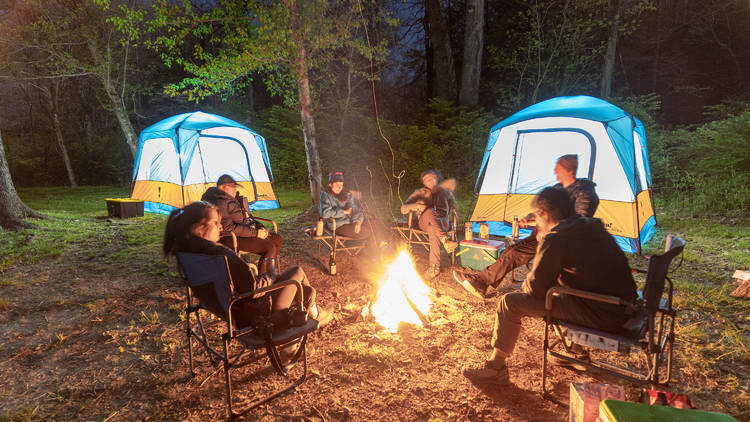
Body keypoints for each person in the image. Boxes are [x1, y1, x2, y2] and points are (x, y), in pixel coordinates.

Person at [462, 186, 636, 383]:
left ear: (543, 213)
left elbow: (536, 290)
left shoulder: (557, 238)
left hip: (601, 313)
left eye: (536, 216)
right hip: (624, 307)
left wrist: (530, 280)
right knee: (555, 295)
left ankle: (496, 368)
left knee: (509, 302)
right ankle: (575, 352)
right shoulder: (591, 226)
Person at [163, 201, 330, 330]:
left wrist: (248, 270)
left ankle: (313, 312)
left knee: (308, 292)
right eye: (215, 222)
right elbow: (252, 288)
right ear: (198, 228)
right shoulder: (221, 254)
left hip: (228, 311)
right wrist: (271, 276)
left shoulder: (188, 254)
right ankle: (299, 329)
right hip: (254, 313)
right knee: (298, 272)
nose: (221, 226)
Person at [454, 154, 599, 298]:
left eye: (558, 169)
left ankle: (483, 282)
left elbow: (579, 221)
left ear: (570, 171)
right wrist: (529, 218)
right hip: (546, 235)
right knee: (511, 250)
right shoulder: (558, 189)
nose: (555, 172)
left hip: (565, 240)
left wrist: (553, 230)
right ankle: (481, 282)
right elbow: (543, 208)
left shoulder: (585, 193)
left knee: (517, 253)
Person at [201, 174, 283, 276]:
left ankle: (268, 270)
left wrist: (260, 226)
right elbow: (227, 227)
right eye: (233, 187)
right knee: (269, 248)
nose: (235, 189)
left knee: (277, 239)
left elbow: (248, 217)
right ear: (222, 187)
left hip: (244, 232)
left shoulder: (233, 199)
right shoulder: (218, 201)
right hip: (229, 237)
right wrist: (256, 233)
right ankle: (263, 283)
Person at [401, 169, 458, 279]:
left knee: (433, 228)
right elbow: (403, 208)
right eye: (426, 180)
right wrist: (416, 206)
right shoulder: (419, 193)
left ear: (436, 178)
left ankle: (434, 267)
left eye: (431, 178)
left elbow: (454, 208)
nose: (429, 181)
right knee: (430, 212)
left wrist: (454, 220)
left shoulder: (446, 192)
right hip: (424, 221)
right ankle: (445, 240)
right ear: (423, 182)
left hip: (442, 223)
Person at [318, 171, 387, 255]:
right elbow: (325, 213)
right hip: (338, 225)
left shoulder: (347, 195)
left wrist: (357, 222)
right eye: (337, 185)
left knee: (374, 223)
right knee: (368, 231)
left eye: (341, 185)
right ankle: (375, 253)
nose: (340, 187)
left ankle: (381, 247)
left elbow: (356, 211)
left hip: (351, 222)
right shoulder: (325, 195)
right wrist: (343, 212)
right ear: (330, 184)